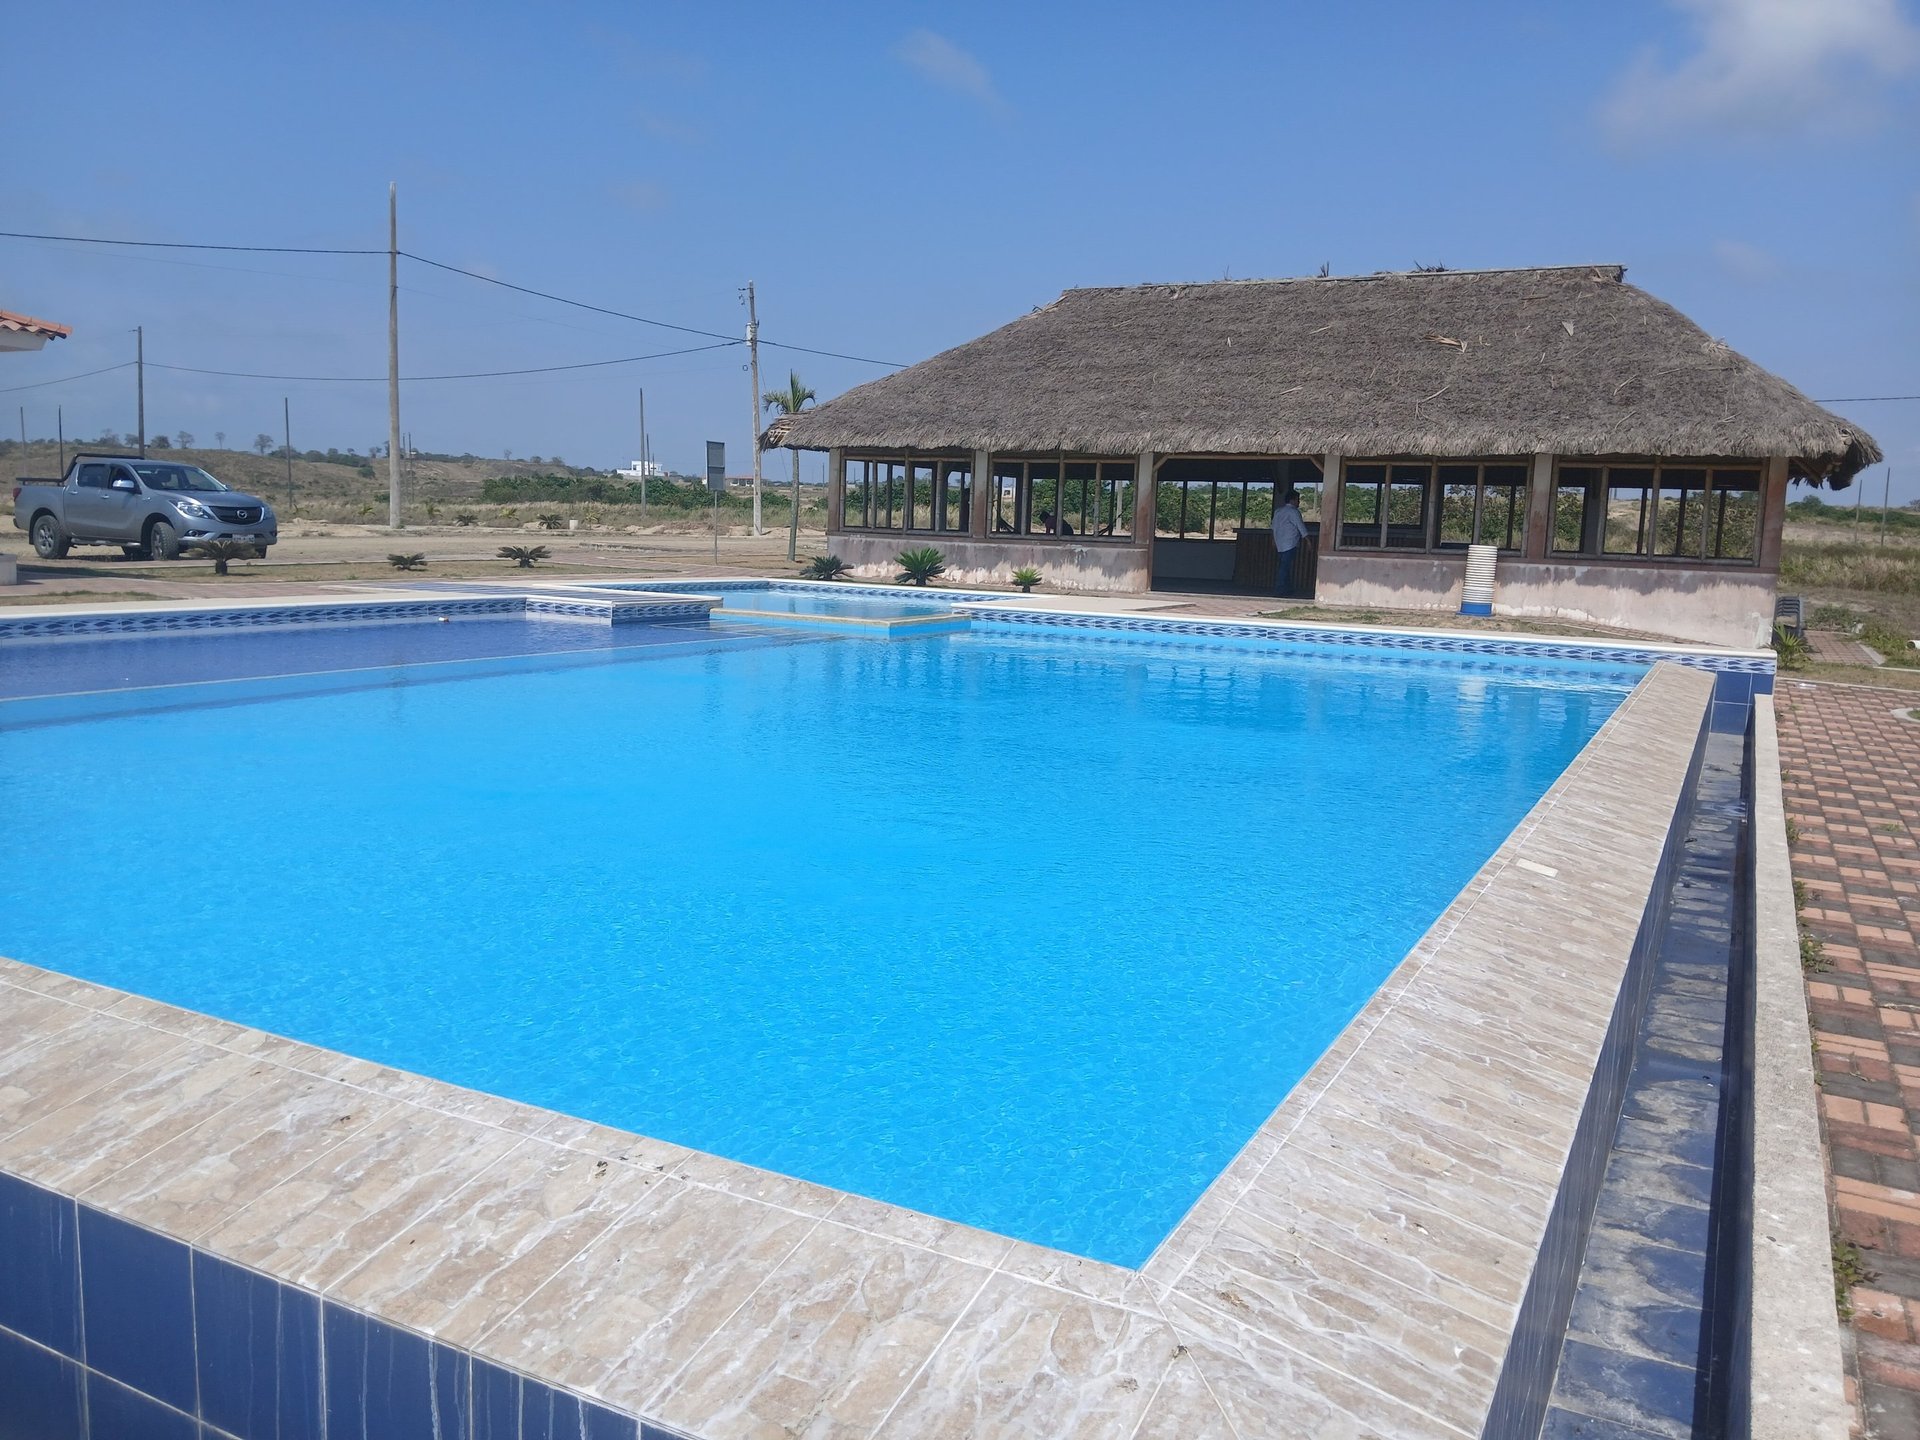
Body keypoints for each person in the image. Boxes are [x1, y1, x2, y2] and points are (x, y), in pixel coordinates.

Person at [1271, 488, 1307, 596]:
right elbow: (1301, 527)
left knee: (1284, 565)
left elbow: (1273, 527)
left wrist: (1273, 539)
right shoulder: (1294, 512)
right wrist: (1307, 540)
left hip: (1279, 543)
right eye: (1298, 500)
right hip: (1290, 543)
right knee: (1284, 567)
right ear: (1293, 500)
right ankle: (1280, 589)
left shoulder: (1278, 511)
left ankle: (1287, 588)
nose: (1299, 502)